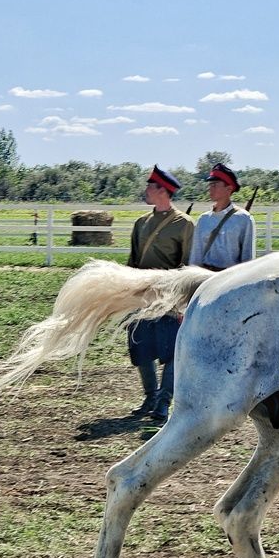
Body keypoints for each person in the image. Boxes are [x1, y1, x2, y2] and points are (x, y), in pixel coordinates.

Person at [127, 165, 194, 422]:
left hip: (170, 296)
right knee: (141, 348)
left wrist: (182, 302)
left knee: (169, 352)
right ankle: (150, 397)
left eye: (150, 187)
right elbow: (132, 262)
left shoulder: (184, 224)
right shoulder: (141, 223)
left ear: (163, 191)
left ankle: (164, 402)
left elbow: (188, 264)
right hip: (142, 295)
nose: (146, 191)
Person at [188, 162, 255, 271]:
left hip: (230, 279)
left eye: (214, 185)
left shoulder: (244, 219)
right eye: (210, 185)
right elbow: (196, 256)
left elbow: (247, 259)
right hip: (205, 278)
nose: (210, 188)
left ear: (228, 188)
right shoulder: (203, 219)